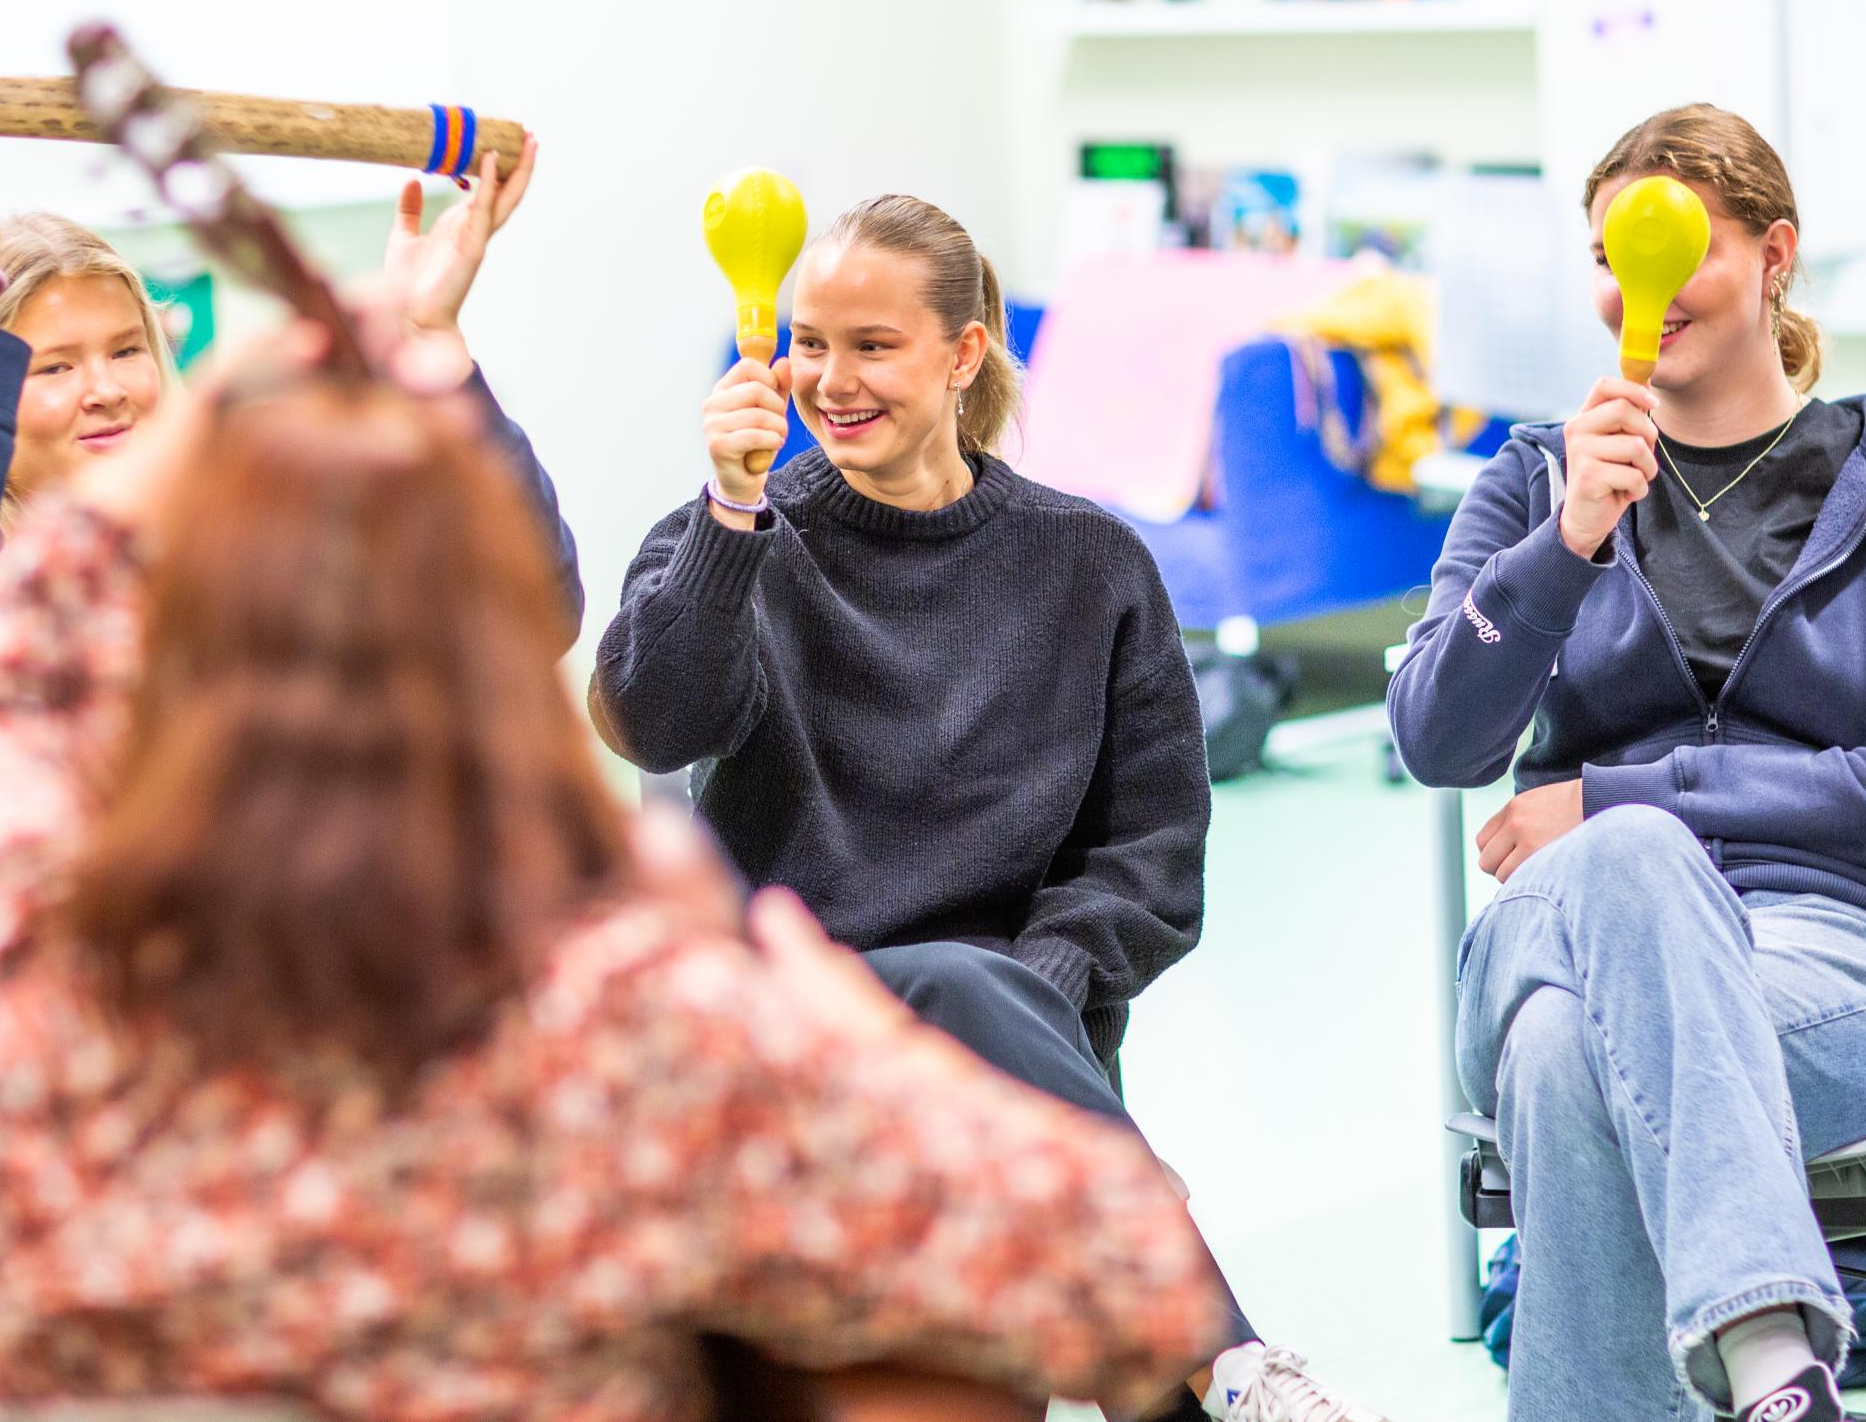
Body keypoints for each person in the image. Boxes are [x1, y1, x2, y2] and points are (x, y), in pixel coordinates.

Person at [0, 306, 1229, 1421]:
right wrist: (829, 1040)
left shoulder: (6, 967)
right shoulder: (600, 1037)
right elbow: (1101, 1261)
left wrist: (222, 421)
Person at [592, 194, 1389, 1422]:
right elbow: (652, 721)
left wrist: (1035, 1002)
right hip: (798, 1024)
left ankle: (1197, 1365)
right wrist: (732, 512)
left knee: (974, 996)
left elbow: (1155, 861)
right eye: (809, 343)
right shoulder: (736, 535)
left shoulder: (1093, 565)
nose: (828, 379)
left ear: (965, 354)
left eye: (871, 345)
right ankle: (1227, 1357)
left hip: (1019, 1035)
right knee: (968, 1002)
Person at [1389, 104, 1866, 1422]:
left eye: (1675, 251)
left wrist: (1621, 795)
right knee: (1616, 886)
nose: (1639, 291)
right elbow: (1438, 740)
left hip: (1843, 976)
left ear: (1776, 256)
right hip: (1555, 936)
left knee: (1571, 1051)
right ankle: (1775, 1358)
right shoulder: (1534, 482)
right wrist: (1562, 548)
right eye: (1613, 261)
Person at [0, 81, 579, 741]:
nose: (106, 388)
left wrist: (432, 342)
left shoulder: (236, 546)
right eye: (52, 366)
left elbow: (531, 615)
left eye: (126, 350)